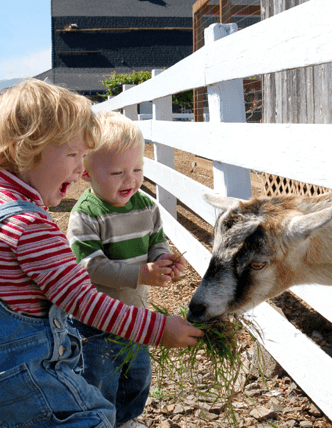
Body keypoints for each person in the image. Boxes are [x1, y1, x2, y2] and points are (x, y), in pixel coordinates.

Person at [0, 79, 203, 428]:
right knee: (92, 416)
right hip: (26, 372)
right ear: (23, 151)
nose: (80, 170)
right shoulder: (31, 227)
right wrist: (158, 329)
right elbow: (84, 300)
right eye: (73, 155)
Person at [66, 110, 186, 425]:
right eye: (118, 172)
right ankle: (100, 420)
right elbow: (89, 266)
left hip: (135, 315)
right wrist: (141, 274)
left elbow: (157, 241)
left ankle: (126, 419)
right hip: (94, 322)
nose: (131, 179)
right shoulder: (87, 214)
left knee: (137, 375)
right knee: (99, 378)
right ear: (87, 174)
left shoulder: (146, 206)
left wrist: (165, 260)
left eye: (137, 168)